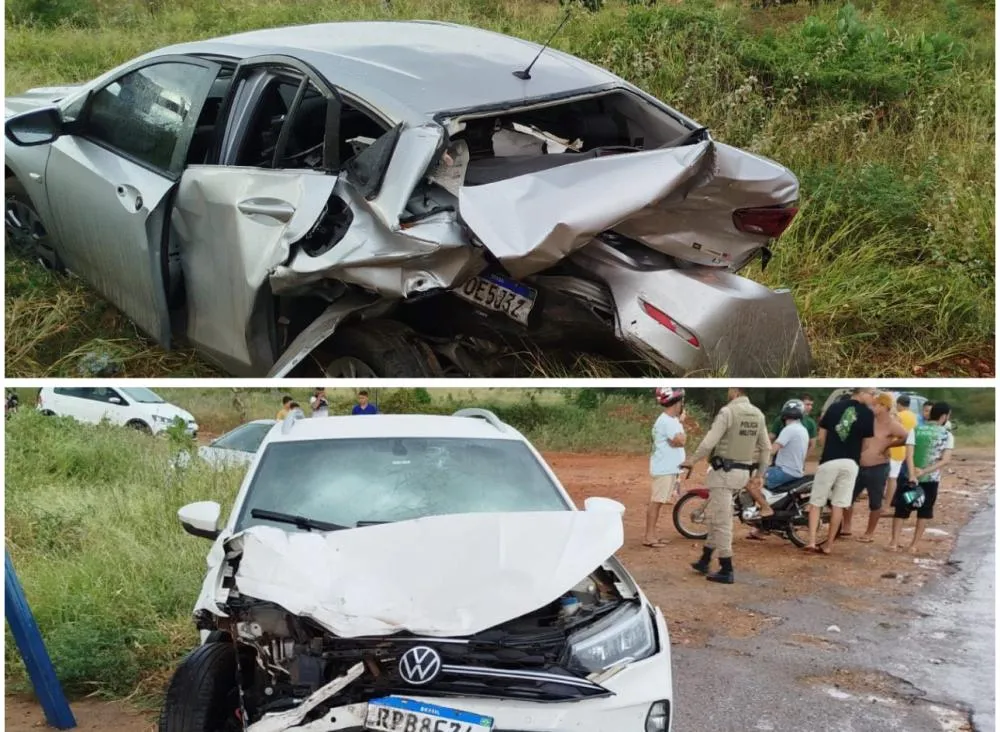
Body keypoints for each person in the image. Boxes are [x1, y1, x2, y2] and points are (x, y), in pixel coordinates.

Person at [682, 387, 770, 584]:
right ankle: (705, 559)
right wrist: (760, 474)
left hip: (724, 474)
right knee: (716, 515)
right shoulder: (758, 414)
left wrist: (692, 460)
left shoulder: (728, 412)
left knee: (722, 522)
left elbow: (708, 442)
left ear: (735, 390)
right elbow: (766, 447)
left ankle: (726, 568)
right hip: (742, 473)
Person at [803, 387, 876, 554]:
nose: (873, 398)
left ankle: (812, 541)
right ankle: (829, 544)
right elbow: (867, 444)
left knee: (816, 502)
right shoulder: (868, 413)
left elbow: (821, 437)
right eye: (872, 394)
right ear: (861, 393)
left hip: (829, 459)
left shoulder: (834, 407)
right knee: (839, 504)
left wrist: (830, 447)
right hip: (851, 463)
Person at [843, 392, 908, 542]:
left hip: (878, 466)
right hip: (858, 465)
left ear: (885, 407)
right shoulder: (868, 420)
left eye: (876, 405)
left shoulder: (892, 424)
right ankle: (846, 526)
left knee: (875, 500)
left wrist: (889, 445)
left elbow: (906, 436)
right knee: (848, 496)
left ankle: (869, 532)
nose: (873, 407)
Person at [889, 402, 953, 553]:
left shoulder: (916, 430)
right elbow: (945, 460)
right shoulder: (947, 435)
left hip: (909, 478)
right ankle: (914, 545)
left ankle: (894, 542)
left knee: (901, 509)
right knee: (924, 511)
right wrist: (924, 471)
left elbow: (909, 454)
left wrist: (912, 474)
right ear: (943, 416)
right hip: (931, 479)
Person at [644, 387, 686, 548]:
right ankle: (649, 537)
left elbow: (678, 441)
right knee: (656, 502)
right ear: (677, 402)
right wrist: (680, 431)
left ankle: (652, 535)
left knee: (659, 502)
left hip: (668, 468)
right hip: (664, 468)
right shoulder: (668, 421)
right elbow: (681, 441)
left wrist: (678, 435)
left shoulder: (670, 420)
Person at [886, 394, 919, 510]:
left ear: (899, 404)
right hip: (906, 449)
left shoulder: (898, 416)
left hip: (894, 449)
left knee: (891, 478)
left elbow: (891, 432)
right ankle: (893, 501)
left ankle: (887, 503)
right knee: (896, 478)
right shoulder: (914, 416)